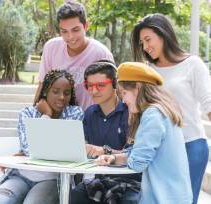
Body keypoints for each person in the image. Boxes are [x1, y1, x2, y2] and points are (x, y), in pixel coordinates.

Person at [130, 13, 211, 204]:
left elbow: (209, 103)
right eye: (142, 42)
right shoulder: (148, 70)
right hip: (160, 149)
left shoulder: (192, 64)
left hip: (190, 145)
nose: (146, 47)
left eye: (148, 39)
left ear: (163, 34)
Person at [96, 62, 193, 204]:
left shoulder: (152, 115)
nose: (123, 100)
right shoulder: (163, 110)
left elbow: (138, 163)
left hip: (162, 198)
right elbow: (143, 155)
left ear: (138, 87)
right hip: (175, 196)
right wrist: (114, 158)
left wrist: (126, 156)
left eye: (124, 93)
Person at [0, 70, 84, 204]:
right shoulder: (27, 113)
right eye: (55, 91)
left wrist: (47, 114)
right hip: (21, 176)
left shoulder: (74, 113)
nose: (62, 97)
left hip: (51, 180)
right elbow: (29, 148)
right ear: (45, 92)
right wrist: (47, 116)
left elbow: (64, 150)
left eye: (66, 93)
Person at [70, 60, 140, 204]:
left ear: (115, 84)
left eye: (100, 85)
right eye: (89, 86)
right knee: (74, 196)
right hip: (99, 182)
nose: (94, 91)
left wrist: (102, 151)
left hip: (130, 183)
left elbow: (134, 153)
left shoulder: (131, 112)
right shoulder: (89, 113)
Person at [34, 1, 114, 110]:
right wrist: (34, 114)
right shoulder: (51, 48)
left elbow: (111, 94)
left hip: (89, 122)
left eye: (75, 30)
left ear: (86, 26)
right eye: (64, 31)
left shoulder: (101, 54)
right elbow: (42, 86)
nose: (70, 37)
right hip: (56, 120)